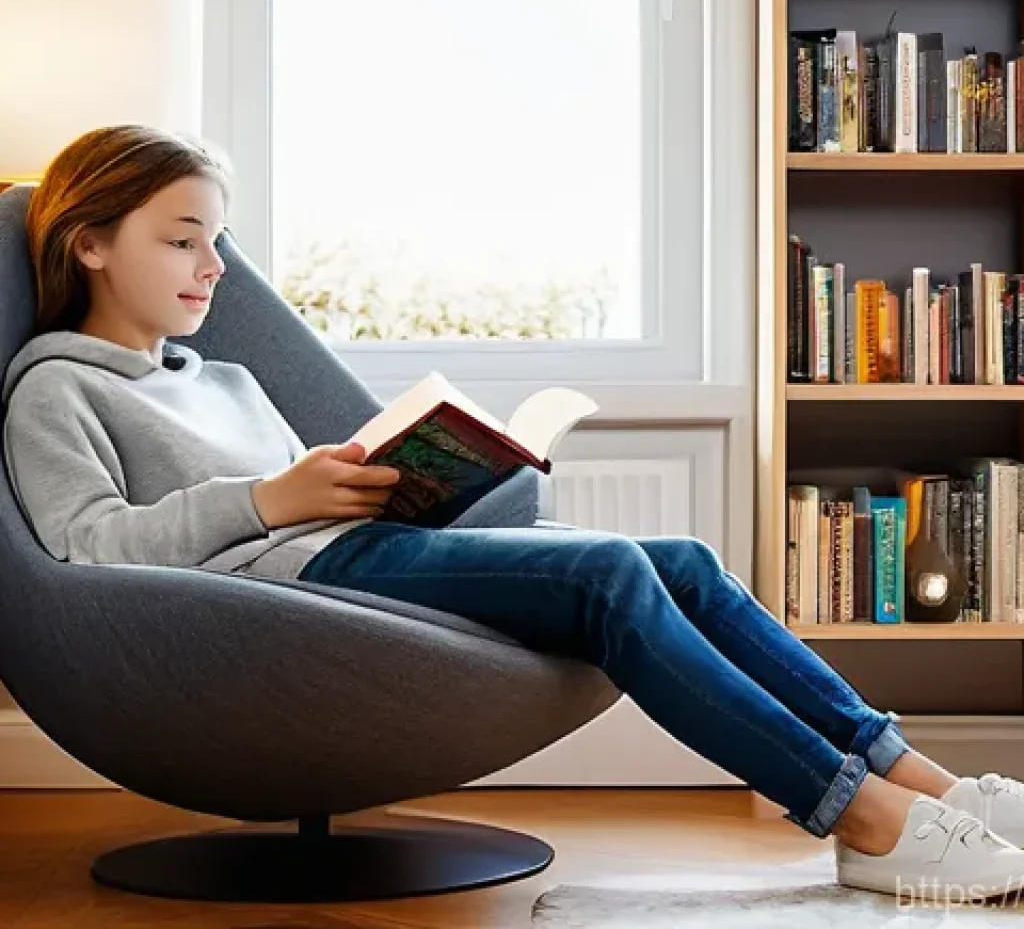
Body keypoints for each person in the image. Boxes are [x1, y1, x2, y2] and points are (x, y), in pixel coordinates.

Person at [2, 124, 1023, 905]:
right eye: (182, 240)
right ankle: (861, 815)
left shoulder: (221, 375)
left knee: (681, 559)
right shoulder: (56, 388)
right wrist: (274, 497)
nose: (213, 267)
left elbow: (301, 499)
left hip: (347, 556)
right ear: (90, 242)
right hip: (273, 592)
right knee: (608, 575)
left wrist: (385, 479)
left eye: (216, 240)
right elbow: (84, 546)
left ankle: (915, 775)